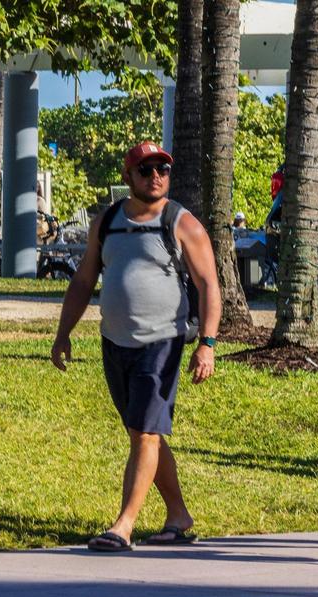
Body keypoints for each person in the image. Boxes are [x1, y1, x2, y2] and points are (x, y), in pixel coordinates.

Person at [51, 141, 221, 551]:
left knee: (145, 432)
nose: (156, 177)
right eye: (146, 170)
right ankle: (178, 515)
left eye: (162, 169)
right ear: (129, 177)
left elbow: (209, 285)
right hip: (115, 342)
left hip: (162, 342)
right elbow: (83, 281)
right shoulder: (107, 222)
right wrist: (63, 333)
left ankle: (123, 526)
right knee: (143, 432)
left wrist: (207, 343)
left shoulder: (182, 223)